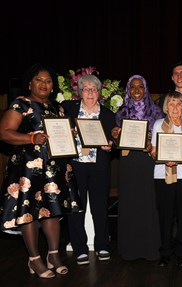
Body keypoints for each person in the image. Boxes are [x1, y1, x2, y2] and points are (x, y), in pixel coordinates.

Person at [0, 63, 81, 278]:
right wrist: (31, 138)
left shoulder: (58, 108)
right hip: (28, 169)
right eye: (39, 80)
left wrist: (69, 135)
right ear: (30, 83)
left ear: (52, 86)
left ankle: (53, 255)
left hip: (54, 168)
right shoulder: (21, 104)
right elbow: (5, 133)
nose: (44, 84)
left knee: (52, 211)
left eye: (48, 81)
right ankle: (34, 259)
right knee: (30, 213)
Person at [61, 74, 115, 265]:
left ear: (99, 92)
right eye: (86, 89)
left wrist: (110, 145)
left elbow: (113, 140)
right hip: (75, 165)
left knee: (100, 207)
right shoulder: (68, 108)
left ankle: (102, 246)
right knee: (77, 209)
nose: (90, 92)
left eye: (94, 89)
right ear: (80, 92)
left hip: (99, 166)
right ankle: (80, 248)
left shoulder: (108, 115)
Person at [111, 74, 163, 260]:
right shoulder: (121, 112)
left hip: (147, 161)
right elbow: (115, 143)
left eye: (140, 87)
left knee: (147, 203)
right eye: (132, 87)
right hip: (128, 163)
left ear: (146, 88)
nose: (137, 91)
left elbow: (161, 139)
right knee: (129, 203)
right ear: (128, 90)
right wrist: (115, 134)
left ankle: (149, 249)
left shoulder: (156, 112)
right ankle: (129, 250)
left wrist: (152, 144)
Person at [152, 91, 182, 267]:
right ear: (166, 107)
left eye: (178, 104)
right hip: (163, 176)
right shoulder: (158, 125)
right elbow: (154, 152)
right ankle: (165, 252)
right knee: (165, 216)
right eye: (171, 104)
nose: (175, 108)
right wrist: (164, 158)